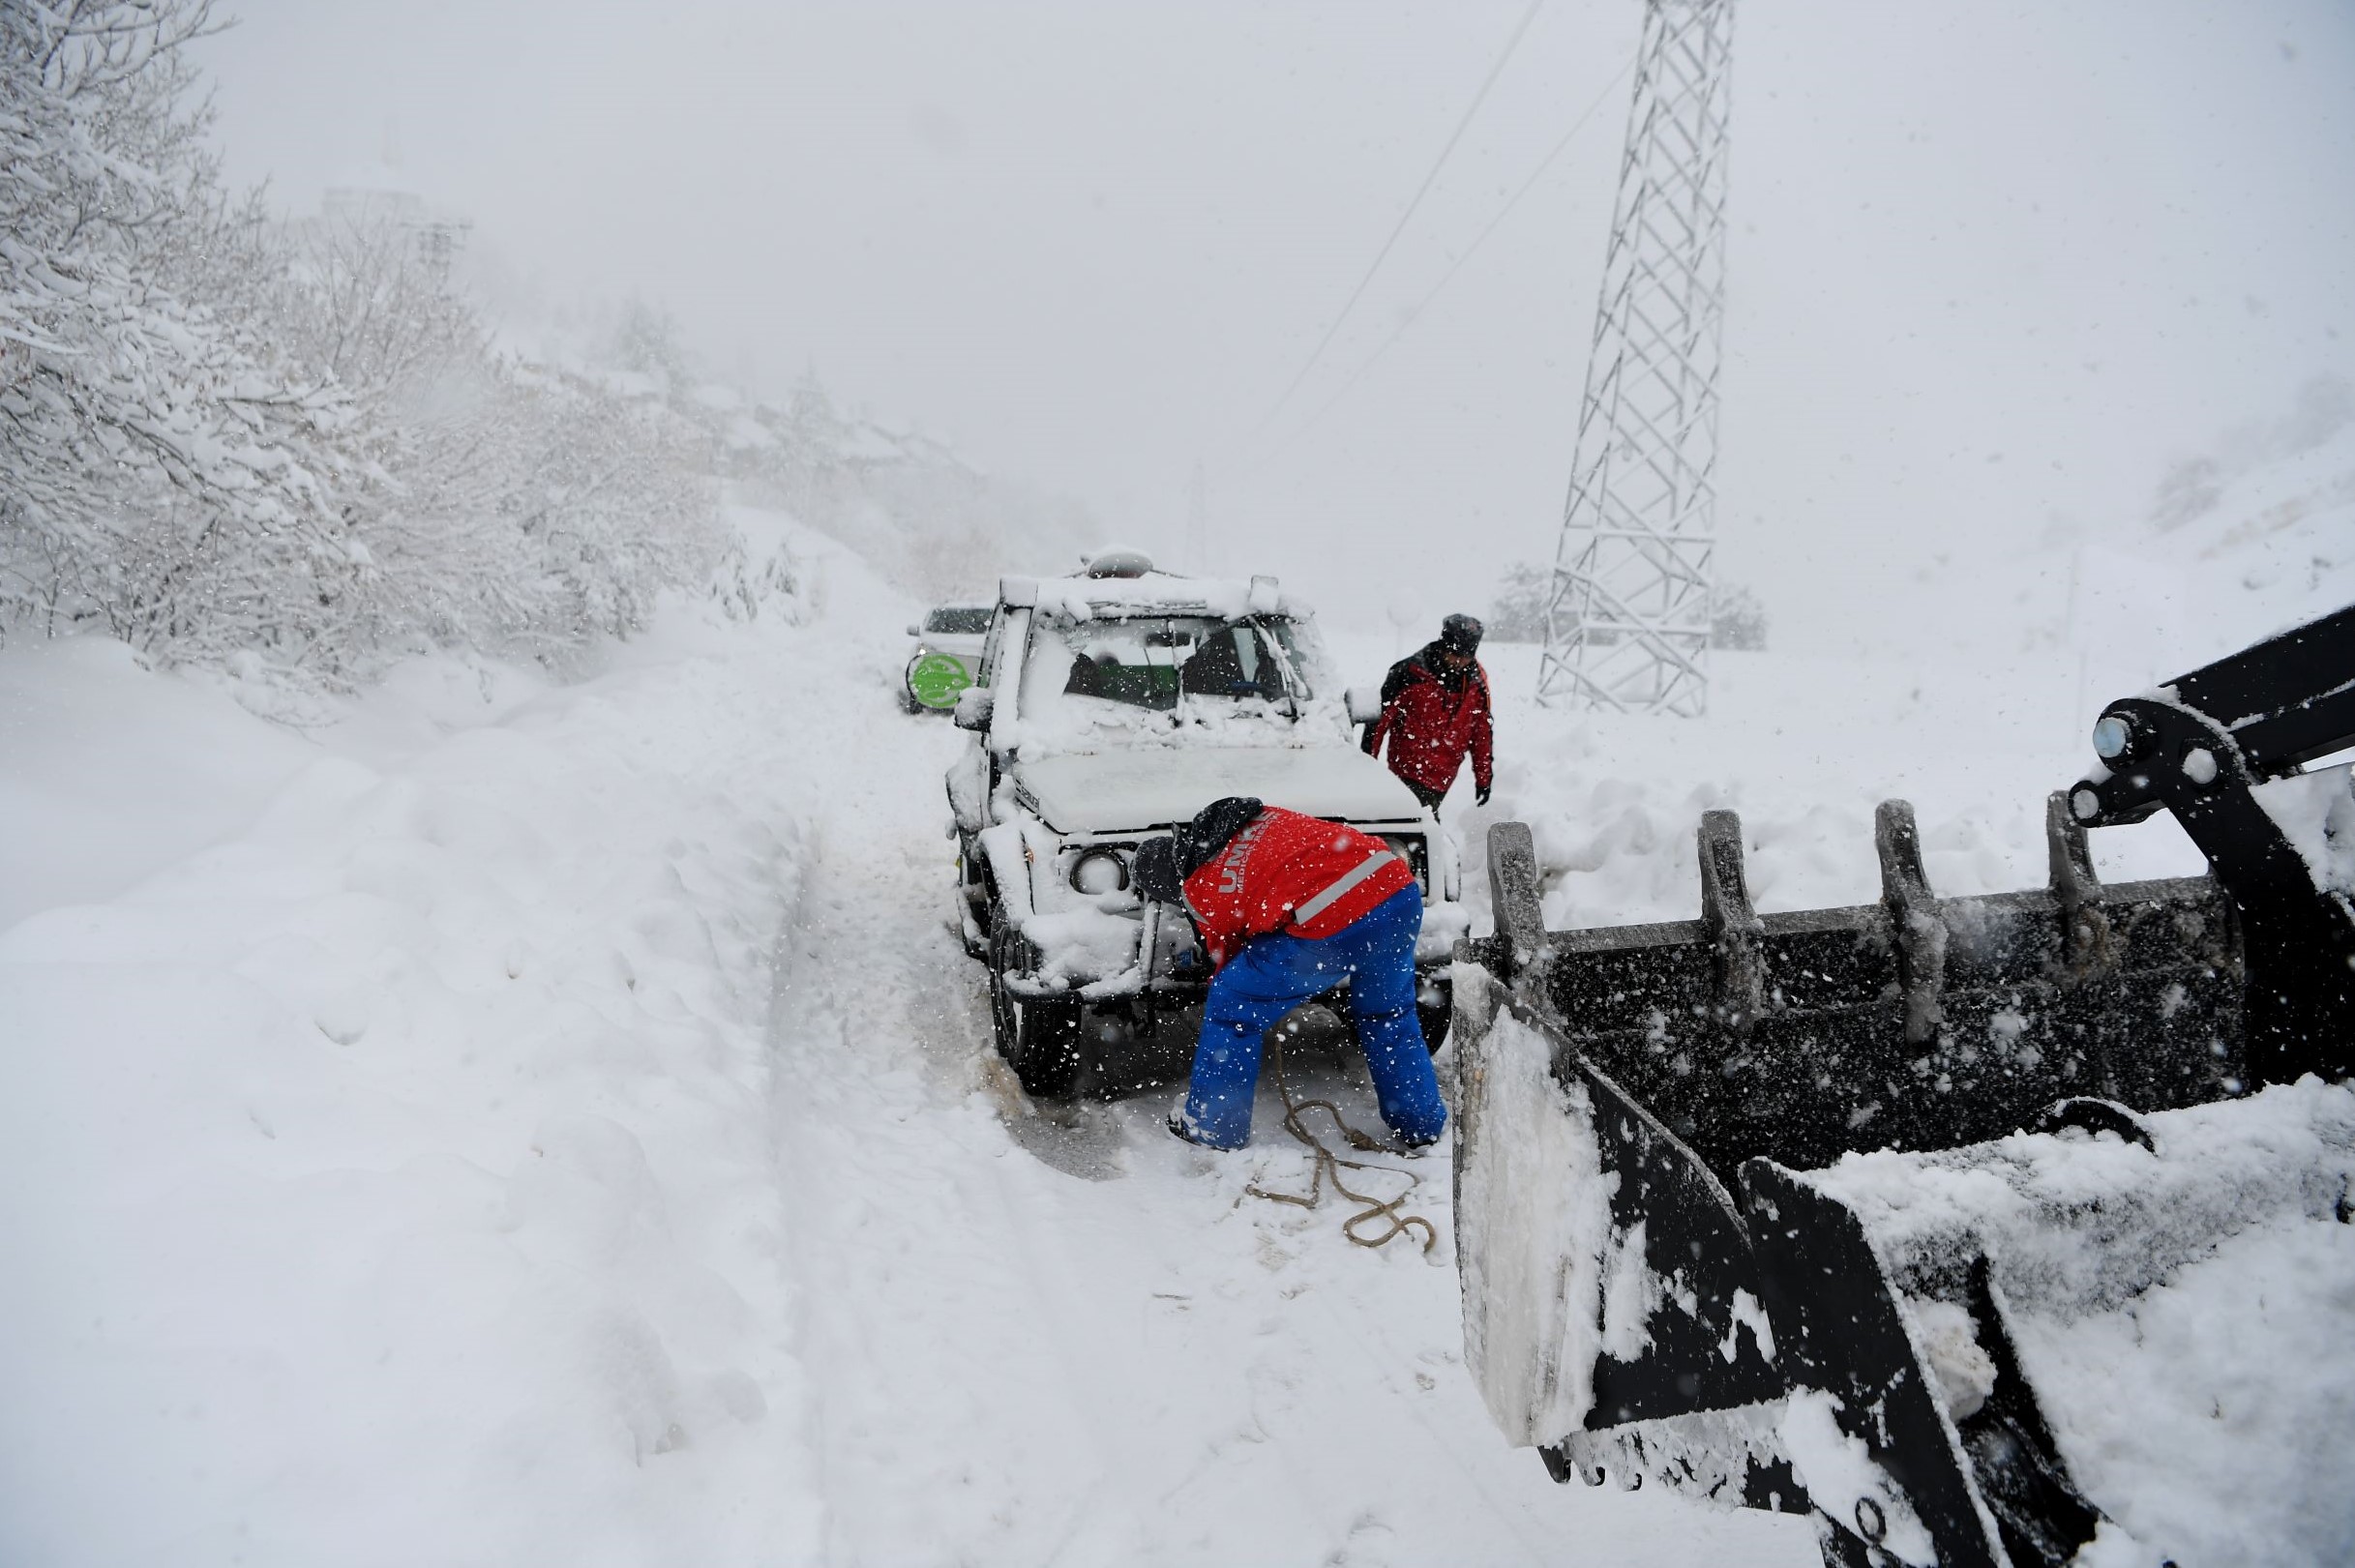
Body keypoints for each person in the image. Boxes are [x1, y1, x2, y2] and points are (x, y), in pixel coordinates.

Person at [1133, 796, 1447, 1152]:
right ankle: (1421, 1124)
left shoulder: (1199, 887)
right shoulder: (1254, 820)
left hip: (1334, 919)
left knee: (1232, 1005)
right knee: (1388, 1014)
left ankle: (1213, 1129)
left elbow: (1228, 954)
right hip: (1393, 888)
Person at [1362, 612, 1493, 814]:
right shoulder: (1408, 673)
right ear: (1443, 645)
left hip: (1444, 776)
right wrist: (1367, 770)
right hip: (1406, 771)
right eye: (1454, 654)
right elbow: (1378, 724)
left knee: (1422, 824)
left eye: (1465, 657)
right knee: (1415, 827)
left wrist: (1483, 779)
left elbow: (1481, 733)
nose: (1459, 661)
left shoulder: (1477, 685)